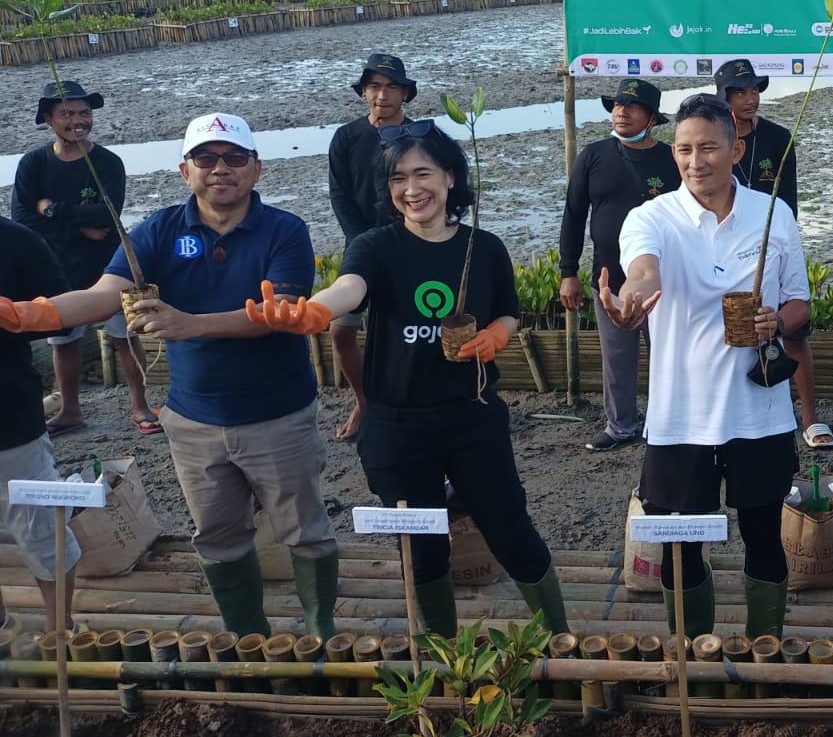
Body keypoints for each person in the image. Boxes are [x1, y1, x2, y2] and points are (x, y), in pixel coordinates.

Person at [0, 113, 340, 641]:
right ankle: (247, 641)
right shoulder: (158, 229)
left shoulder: (285, 229)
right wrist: (31, 314)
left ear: (256, 169)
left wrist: (190, 324)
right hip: (193, 420)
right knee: (219, 537)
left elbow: (284, 310)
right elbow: (103, 293)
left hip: (278, 415)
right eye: (206, 158)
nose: (220, 169)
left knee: (305, 533)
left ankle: (323, 635)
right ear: (186, 171)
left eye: (233, 158)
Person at [250, 122, 569, 637]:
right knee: (420, 543)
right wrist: (313, 311)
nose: (411, 189)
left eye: (423, 173)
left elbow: (509, 312)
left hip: (473, 416)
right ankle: (444, 649)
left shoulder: (482, 247)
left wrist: (495, 336)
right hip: (398, 423)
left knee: (510, 530)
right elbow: (350, 287)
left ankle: (561, 634)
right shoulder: (377, 246)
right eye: (398, 179)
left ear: (449, 178)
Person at [602, 94, 810, 640]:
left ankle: (767, 647)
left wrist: (776, 323)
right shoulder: (651, 218)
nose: (696, 162)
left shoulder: (773, 214)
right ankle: (693, 653)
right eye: (684, 150)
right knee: (681, 544)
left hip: (758, 413)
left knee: (764, 536)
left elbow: (800, 304)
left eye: (708, 148)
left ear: (736, 148)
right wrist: (631, 302)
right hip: (681, 419)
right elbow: (643, 271)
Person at [9, 80, 156, 437]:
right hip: (58, 267)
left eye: (84, 113)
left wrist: (52, 209)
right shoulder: (33, 164)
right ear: (48, 119)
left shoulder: (106, 162)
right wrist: (76, 227)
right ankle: (71, 410)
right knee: (63, 341)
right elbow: (22, 220)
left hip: (111, 267)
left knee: (126, 336)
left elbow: (106, 219)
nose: (78, 120)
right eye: (67, 114)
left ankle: (141, 406)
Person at [558, 78, 679, 452]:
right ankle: (621, 425)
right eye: (617, 106)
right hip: (608, 279)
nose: (621, 112)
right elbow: (574, 214)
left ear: (652, 118)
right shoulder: (593, 155)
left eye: (632, 107)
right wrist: (568, 272)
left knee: (669, 353)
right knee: (617, 357)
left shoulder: (671, 158)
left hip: (664, 280)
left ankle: (670, 422)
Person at [716, 58, 831, 450]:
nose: (750, 99)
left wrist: (785, 243)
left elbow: (789, 198)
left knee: (793, 330)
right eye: (740, 92)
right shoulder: (718, 140)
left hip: (774, 244)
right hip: (732, 248)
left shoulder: (780, 137)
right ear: (724, 97)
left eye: (754, 91)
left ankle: (811, 418)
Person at [326, 53, 417, 442]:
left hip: (410, 247)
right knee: (340, 331)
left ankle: (410, 405)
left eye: (392, 87)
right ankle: (365, 402)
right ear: (364, 93)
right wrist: (363, 241)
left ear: (405, 94)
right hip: (361, 249)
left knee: (410, 332)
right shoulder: (346, 137)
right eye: (375, 87)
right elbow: (340, 194)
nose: (383, 95)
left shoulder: (420, 136)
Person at [0, 215, 78, 631]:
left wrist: (16, 315)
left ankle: (60, 629)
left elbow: (66, 313)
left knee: (40, 526)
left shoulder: (14, 240)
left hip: (8, 413)